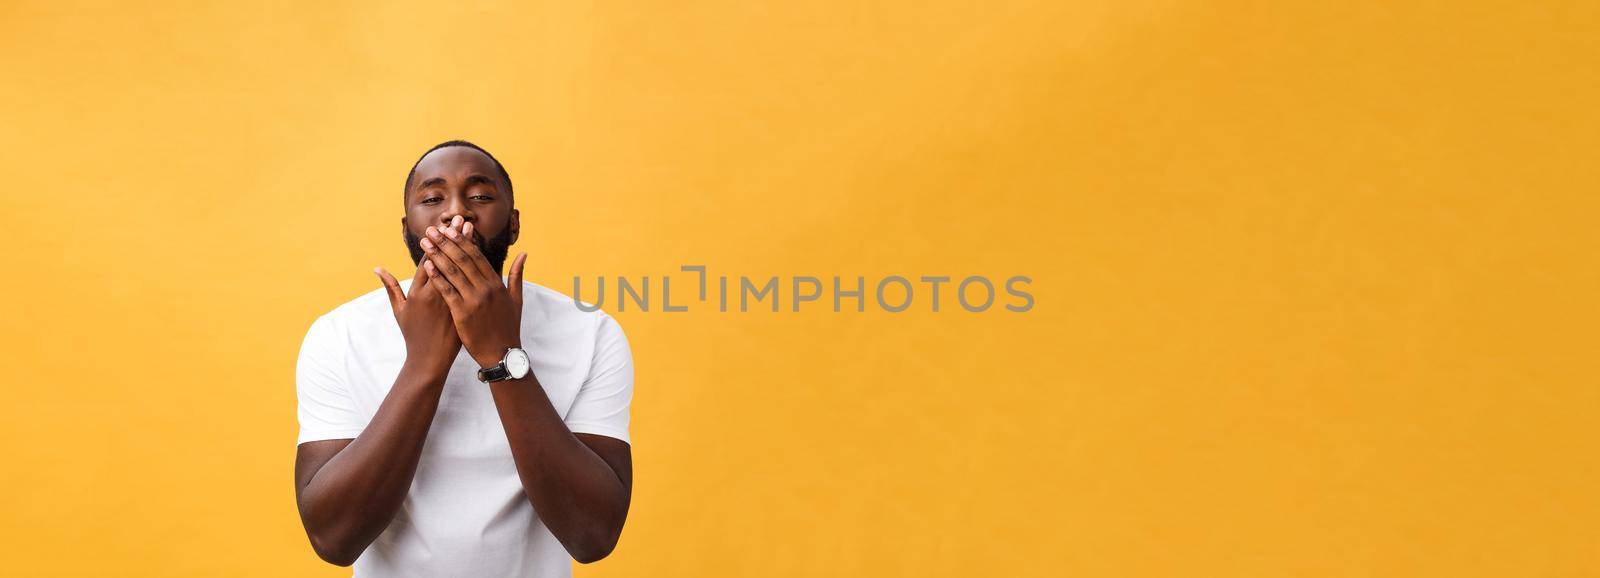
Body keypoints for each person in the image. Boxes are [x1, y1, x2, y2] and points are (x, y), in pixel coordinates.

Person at [292, 140, 633, 577]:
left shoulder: (590, 333)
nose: (457, 213)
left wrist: (501, 355)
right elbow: (334, 540)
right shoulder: (338, 335)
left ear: (513, 226)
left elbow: (593, 535)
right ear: (406, 229)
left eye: (480, 197)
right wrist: (423, 364)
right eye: (432, 198)